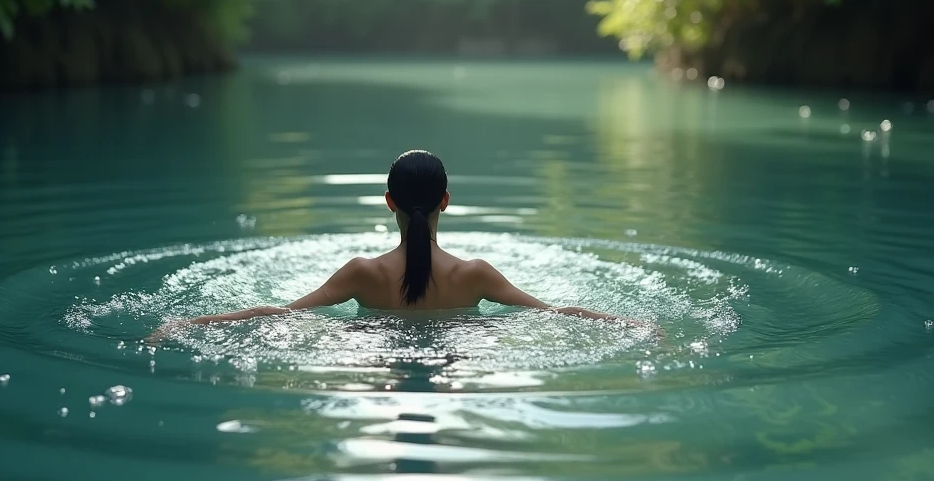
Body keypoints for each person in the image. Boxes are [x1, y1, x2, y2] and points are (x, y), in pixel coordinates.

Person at [150, 150, 655, 338]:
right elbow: (555, 313)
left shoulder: (362, 273)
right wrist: (635, 325)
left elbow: (280, 313)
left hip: (375, 359)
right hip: (460, 358)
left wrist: (188, 324)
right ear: (446, 202)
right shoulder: (474, 274)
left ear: (388, 202)